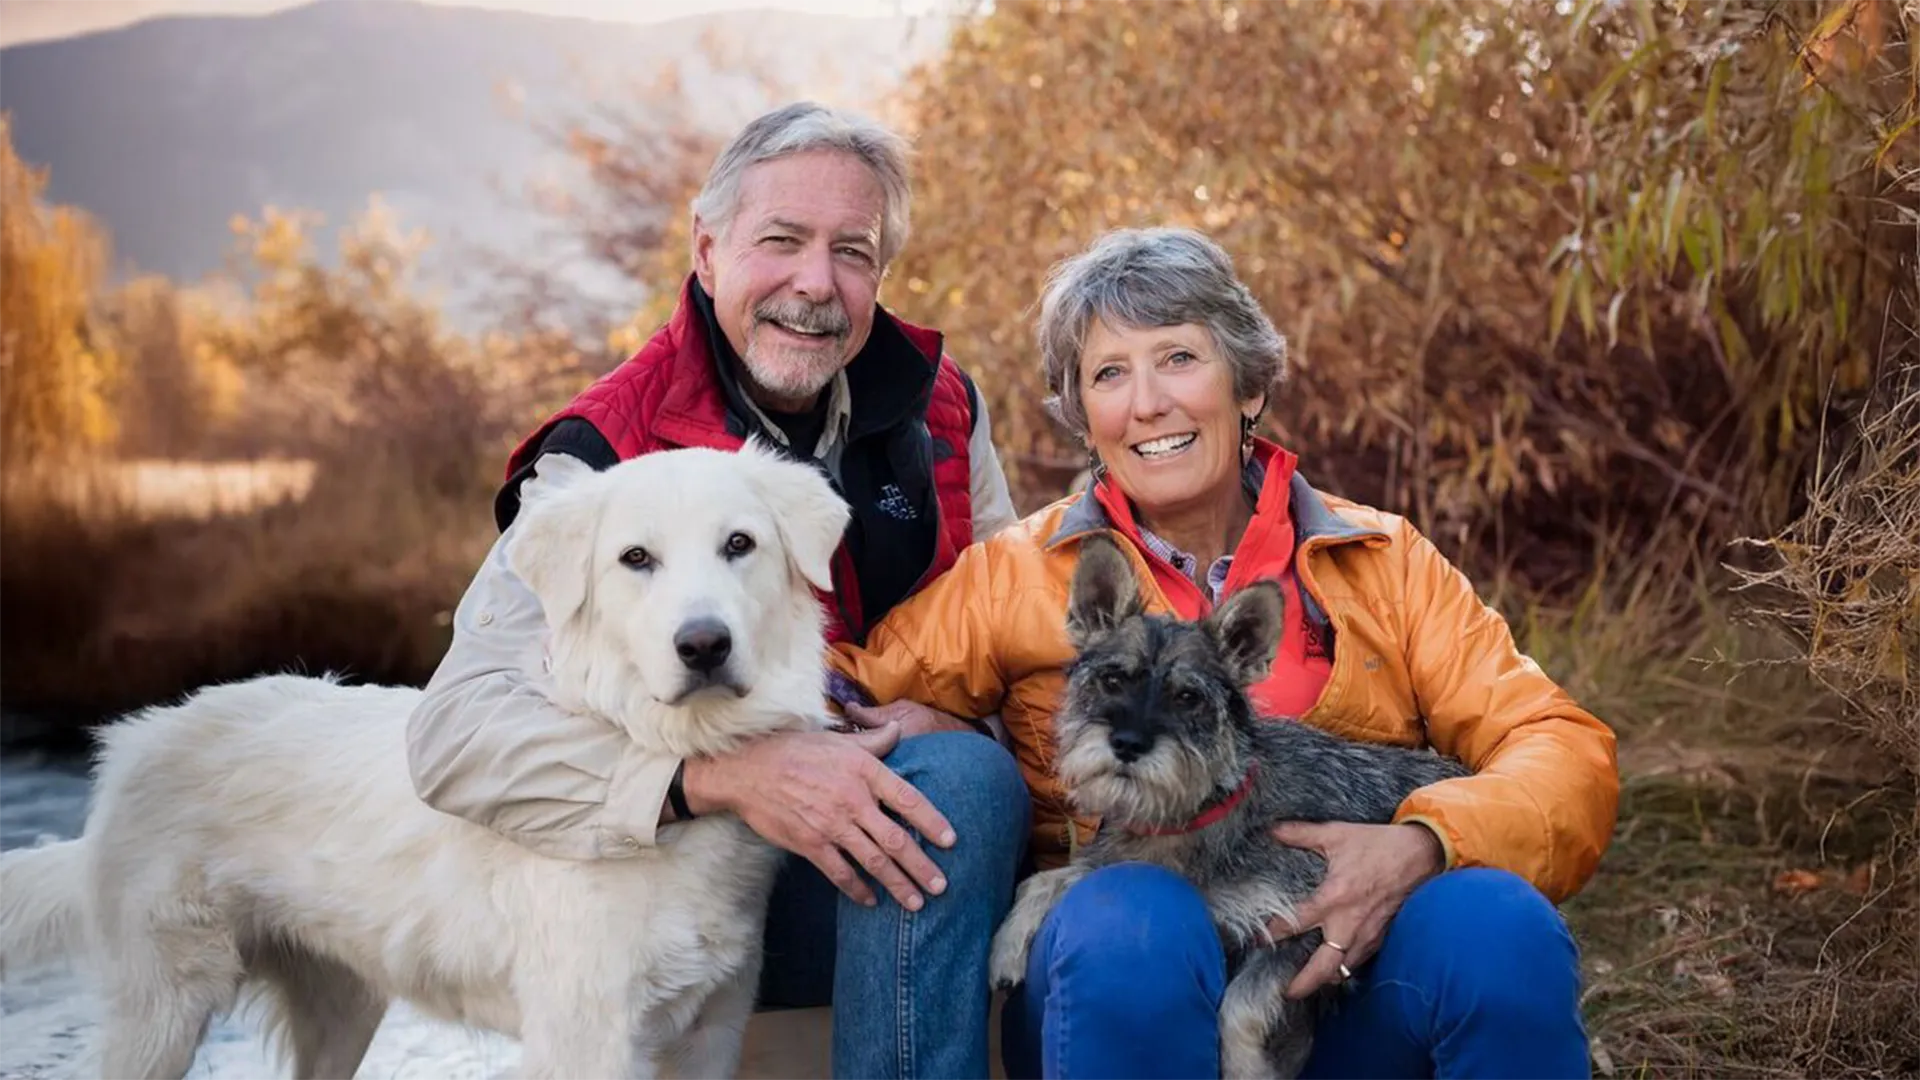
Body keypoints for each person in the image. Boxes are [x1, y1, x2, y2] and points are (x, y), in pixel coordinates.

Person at [827, 226, 1621, 1079]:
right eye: (1108, 373)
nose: (1147, 404)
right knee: (1133, 919)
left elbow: (1562, 750)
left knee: (1497, 924)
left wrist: (1426, 841)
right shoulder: (1017, 572)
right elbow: (844, 692)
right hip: (1114, 993)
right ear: (1083, 415)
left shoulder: (1384, 558)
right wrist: (924, 726)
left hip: (1343, 992)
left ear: (1246, 385)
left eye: (1178, 358)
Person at [404, 102, 1030, 1080]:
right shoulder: (600, 455)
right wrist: (723, 779)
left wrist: (952, 724)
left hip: (886, 861)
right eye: (780, 241)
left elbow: (1022, 648)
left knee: (969, 778)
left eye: (852, 251)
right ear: (706, 250)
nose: (815, 284)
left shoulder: (947, 407)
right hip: (673, 889)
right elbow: (455, 739)